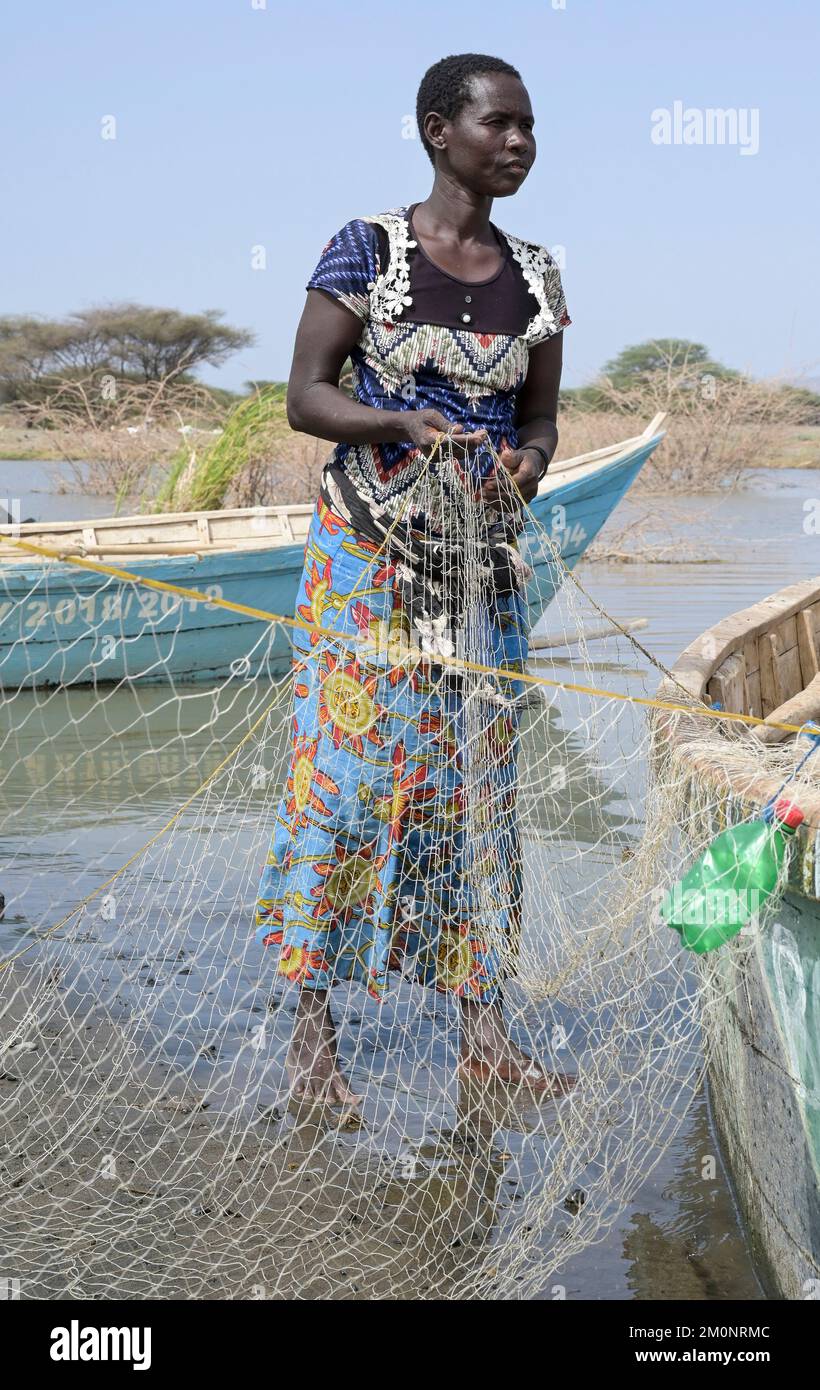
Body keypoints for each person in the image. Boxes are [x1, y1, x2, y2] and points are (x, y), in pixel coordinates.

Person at [255, 52, 577, 1105]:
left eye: (528, 127)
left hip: (477, 571)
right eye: (500, 125)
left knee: (477, 796)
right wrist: (395, 419)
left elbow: (539, 414)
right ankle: (313, 1045)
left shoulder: (538, 274)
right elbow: (307, 395)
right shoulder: (368, 250)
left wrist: (527, 462)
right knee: (343, 791)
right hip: (366, 566)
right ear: (440, 132)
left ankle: (482, 1036)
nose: (519, 143)